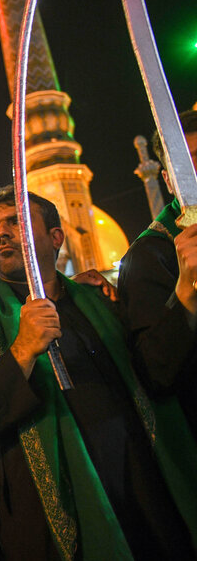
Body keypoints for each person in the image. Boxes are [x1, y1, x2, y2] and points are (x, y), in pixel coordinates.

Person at [0, 185, 197, 559]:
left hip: (141, 498)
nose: (1, 233)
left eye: (16, 221)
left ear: (56, 237)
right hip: (54, 525)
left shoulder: (97, 300)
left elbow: (154, 373)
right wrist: (22, 350)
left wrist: (186, 295)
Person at [118, 109, 197, 431]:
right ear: (167, 179)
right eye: (188, 162)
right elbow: (155, 374)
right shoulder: (149, 255)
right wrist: (186, 294)